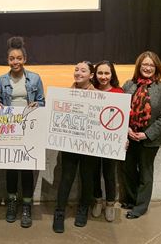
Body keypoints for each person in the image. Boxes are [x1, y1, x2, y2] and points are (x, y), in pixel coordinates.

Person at [0, 36, 45, 228]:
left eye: (19, 58)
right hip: (10, 130)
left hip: (29, 129)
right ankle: (12, 202)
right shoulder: (0, 81)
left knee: (26, 169)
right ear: (8, 60)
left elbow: (42, 102)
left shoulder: (35, 79)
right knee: (12, 168)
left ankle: (27, 205)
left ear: (24, 59)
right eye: (12, 58)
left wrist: (37, 104)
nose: (15, 62)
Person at [121, 51, 161, 219]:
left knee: (145, 172)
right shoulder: (129, 85)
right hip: (129, 136)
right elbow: (120, 109)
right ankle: (131, 199)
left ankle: (140, 207)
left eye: (151, 65)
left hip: (149, 139)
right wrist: (127, 129)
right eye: (145, 64)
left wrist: (146, 134)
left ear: (156, 68)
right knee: (128, 169)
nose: (148, 68)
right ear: (139, 66)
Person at [52, 61, 98, 233]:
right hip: (70, 145)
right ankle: (59, 212)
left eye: (83, 70)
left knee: (87, 178)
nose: (78, 73)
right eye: (76, 70)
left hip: (88, 146)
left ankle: (83, 209)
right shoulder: (66, 94)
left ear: (91, 75)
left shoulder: (99, 96)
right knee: (66, 178)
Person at [92, 60, 124, 222]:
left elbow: (123, 119)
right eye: (100, 73)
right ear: (95, 74)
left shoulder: (119, 93)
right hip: (93, 141)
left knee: (110, 174)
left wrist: (124, 137)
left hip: (111, 143)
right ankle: (98, 201)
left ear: (112, 75)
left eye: (106, 73)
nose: (103, 77)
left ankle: (110, 204)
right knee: (94, 173)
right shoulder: (91, 91)